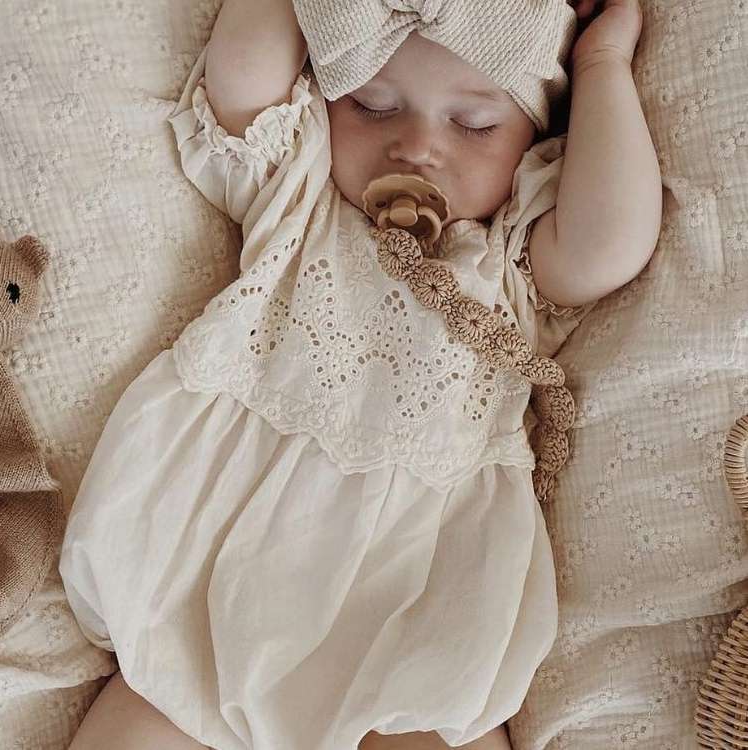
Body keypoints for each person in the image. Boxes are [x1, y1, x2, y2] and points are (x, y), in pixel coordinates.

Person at [58, 1, 661, 748]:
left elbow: (611, 242)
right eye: (372, 106)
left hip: (411, 597)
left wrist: (602, 66)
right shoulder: (301, 198)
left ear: (534, 140)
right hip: (211, 581)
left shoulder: (509, 259)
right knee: (147, 711)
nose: (416, 147)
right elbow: (242, 82)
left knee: (432, 722)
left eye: (474, 124)